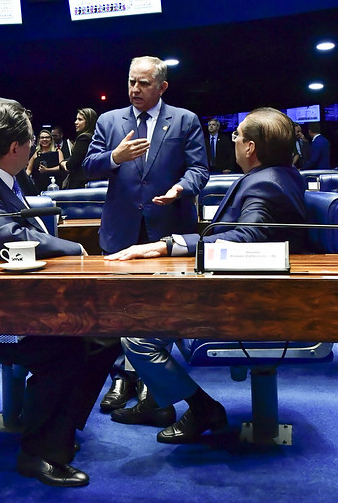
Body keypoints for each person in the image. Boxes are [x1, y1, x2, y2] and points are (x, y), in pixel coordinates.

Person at [0, 102, 120, 487]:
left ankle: (57, 427)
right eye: (29, 142)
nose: (34, 148)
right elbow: (11, 239)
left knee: (105, 336)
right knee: (66, 349)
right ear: (14, 148)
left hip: (16, 303)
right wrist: (73, 248)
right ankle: (38, 454)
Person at [104, 107, 307, 443]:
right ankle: (156, 402)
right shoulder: (277, 175)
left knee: (138, 338)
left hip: (256, 301)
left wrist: (169, 245)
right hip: (249, 287)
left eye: (238, 134)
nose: (234, 139)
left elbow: (249, 237)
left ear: (251, 147)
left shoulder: (267, 184)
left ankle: (202, 408)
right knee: (147, 310)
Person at [83, 55, 209, 413]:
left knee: (159, 309)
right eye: (131, 82)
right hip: (120, 229)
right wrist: (115, 157)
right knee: (116, 309)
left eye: (144, 83)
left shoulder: (184, 120)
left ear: (162, 87)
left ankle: (149, 382)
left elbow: (199, 170)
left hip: (167, 229)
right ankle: (121, 377)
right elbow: (88, 167)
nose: (135, 89)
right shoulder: (109, 121)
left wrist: (181, 189)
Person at [59, 108, 97, 188]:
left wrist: (63, 163)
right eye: (76, 119)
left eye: (80, 119)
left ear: (88, 122)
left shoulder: (84, 138)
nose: (76, 122)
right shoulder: (95, 137)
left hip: (80, 183)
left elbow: (71, 165)